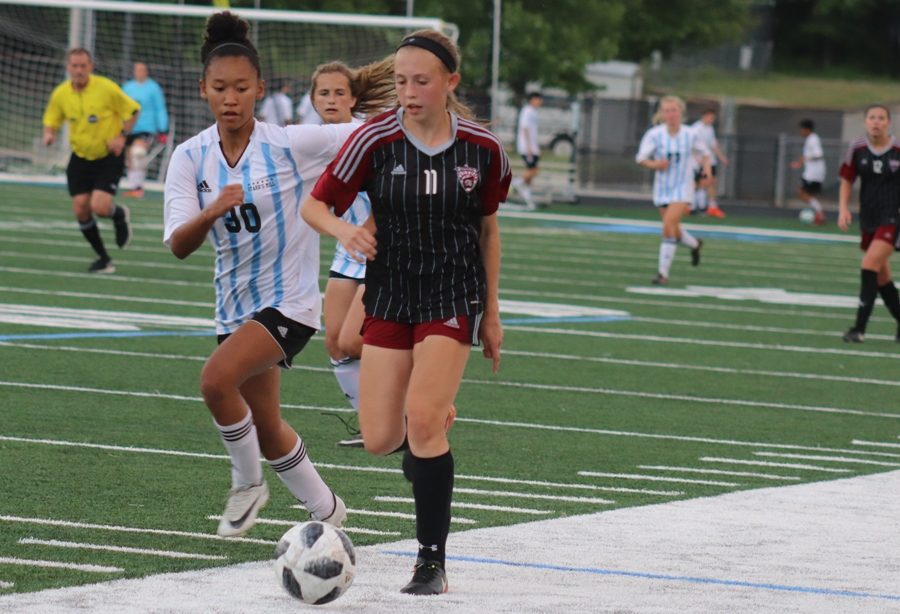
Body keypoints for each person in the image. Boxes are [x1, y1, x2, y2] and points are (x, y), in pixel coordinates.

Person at [162, 11, 391, 538]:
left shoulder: (290, 144)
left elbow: (362, 137)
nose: (231, 97)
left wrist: (414, 112)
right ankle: (328, 511)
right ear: (203, 90)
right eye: (220, 87)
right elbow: (179, 244)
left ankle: (247, 485)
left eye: (242, 87)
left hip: (290, 304)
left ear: (259, 89)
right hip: (234, 308)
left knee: (215, 381)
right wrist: (210, 211)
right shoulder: (189, 158)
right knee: (266, 427)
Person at [302, 29, 507, 595]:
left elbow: (488, 230)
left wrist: (490, 312)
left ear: (449, 83)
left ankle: (431, 562)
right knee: (378, 436)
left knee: (420, 421)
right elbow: (313, 205)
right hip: (389, 292)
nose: (409, 92)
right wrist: (345, 228)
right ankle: (431, 419)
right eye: (401, 81)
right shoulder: (373, 139)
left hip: (452, 294)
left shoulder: (482, 150)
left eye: (421, 81)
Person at [311, 61, 371, 447]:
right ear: (313, 99)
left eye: (339, 93)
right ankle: (376, 424)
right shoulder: (311, 140)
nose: (331, 100)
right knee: (335, 343)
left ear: (353, 99)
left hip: (381, 250)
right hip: (346, 252)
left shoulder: (366, 136)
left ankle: (420, 391)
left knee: (354, 341)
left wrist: (369, 231)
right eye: (323, 93)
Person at [42, 48, 139, 273]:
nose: (78, 70)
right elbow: (51, 118)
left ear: (90, 67)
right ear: (68, 68)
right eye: (74, 66)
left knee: (100, 206)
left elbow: (132, 110)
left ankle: (119, 214)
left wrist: (121, 137)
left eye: (83, 66)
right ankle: (103, 258)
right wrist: (49, 133)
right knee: (81, 210)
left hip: (108, 157)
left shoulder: (106, 88)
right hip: (80, 158)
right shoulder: (61, 94)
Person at [837, 104, 900, 343]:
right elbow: (846, 179)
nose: (876, 122)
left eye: (881, 118)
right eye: (872, 118)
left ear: (888, 123)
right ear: (865, 122)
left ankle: (859, 329)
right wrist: (843, 209)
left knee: (868, 265)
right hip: (869, 219)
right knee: (882, 278)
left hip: (892, 218)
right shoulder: (857, 148)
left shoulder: (897, 149)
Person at [636, 95, 711, 285]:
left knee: (668, 226)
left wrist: (707, 171)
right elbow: (641, 159)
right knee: (673, 228)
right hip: (662, 187)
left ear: (681, 113)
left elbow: (705, 154)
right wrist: (655, 164)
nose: (671, 115)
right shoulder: (655, 134)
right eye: (667, 111)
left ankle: (663, 274)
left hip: (683, 187)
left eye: (674, 111)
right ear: (661, 114)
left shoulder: (690, 134)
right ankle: (695, 244)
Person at [121, 61, 169, 198]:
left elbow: (160, 108)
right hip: (129, 127)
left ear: (146, 71)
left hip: (147, 127)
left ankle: (138, 186)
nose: (139, 72)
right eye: (137, 69)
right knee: (130, 157)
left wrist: (162, 128)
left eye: (142, 69)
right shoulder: (127, 87)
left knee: (138, 153)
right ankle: (133, 187)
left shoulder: (153, 88)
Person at [690, 108, 729, 218]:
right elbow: (691, 146)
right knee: (701, 183)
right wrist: (698, 160)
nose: (712, 120)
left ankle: (709, 207)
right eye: (711, 117)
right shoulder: (695, 129)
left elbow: (713, 145)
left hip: (710, 161)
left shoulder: (710, 128)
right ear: (705, 116)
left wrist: (722, 157)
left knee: (710, 182)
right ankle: (696, 206)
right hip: (700, 162)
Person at [790, 118, 827, 225]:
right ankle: (818, 214)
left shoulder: (813, 139)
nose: (800, 131)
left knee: (802, 192)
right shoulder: (810, 139)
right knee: (807, 194)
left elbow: (818, 154)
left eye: (801, 129)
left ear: (807, 129)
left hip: (814, 173)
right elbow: (809, 156)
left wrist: (803, 159)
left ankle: (820, 214)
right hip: (812, 172)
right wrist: (800, 162)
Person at [512, 91, 542, 210]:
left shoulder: (534, 112)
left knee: (531, 176)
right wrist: (529, 147)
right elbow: (524, 128)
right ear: (532, 100)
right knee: (534, 170)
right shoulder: (527, 111)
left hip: (533, 147)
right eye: (538, 99)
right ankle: (516, 183)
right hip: (527, 147)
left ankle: (528, 199)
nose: (540, 102)